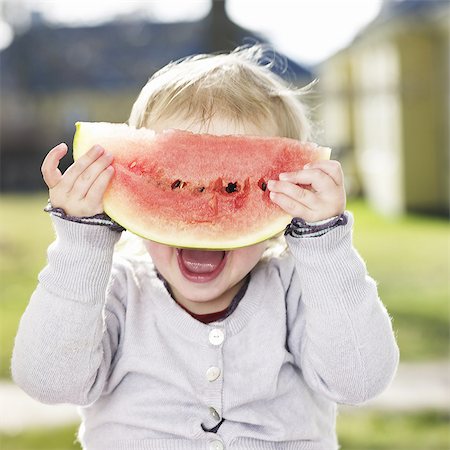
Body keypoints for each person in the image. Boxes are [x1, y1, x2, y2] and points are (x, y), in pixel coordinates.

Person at [12, 46, 399, 450]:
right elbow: (49, 382)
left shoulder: (295, 291)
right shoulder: (119, 293)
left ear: (287, 198)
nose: (202, 211)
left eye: (233, 185)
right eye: (174, 182)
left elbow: (359, 380)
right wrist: (82, 243)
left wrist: (325, 243)